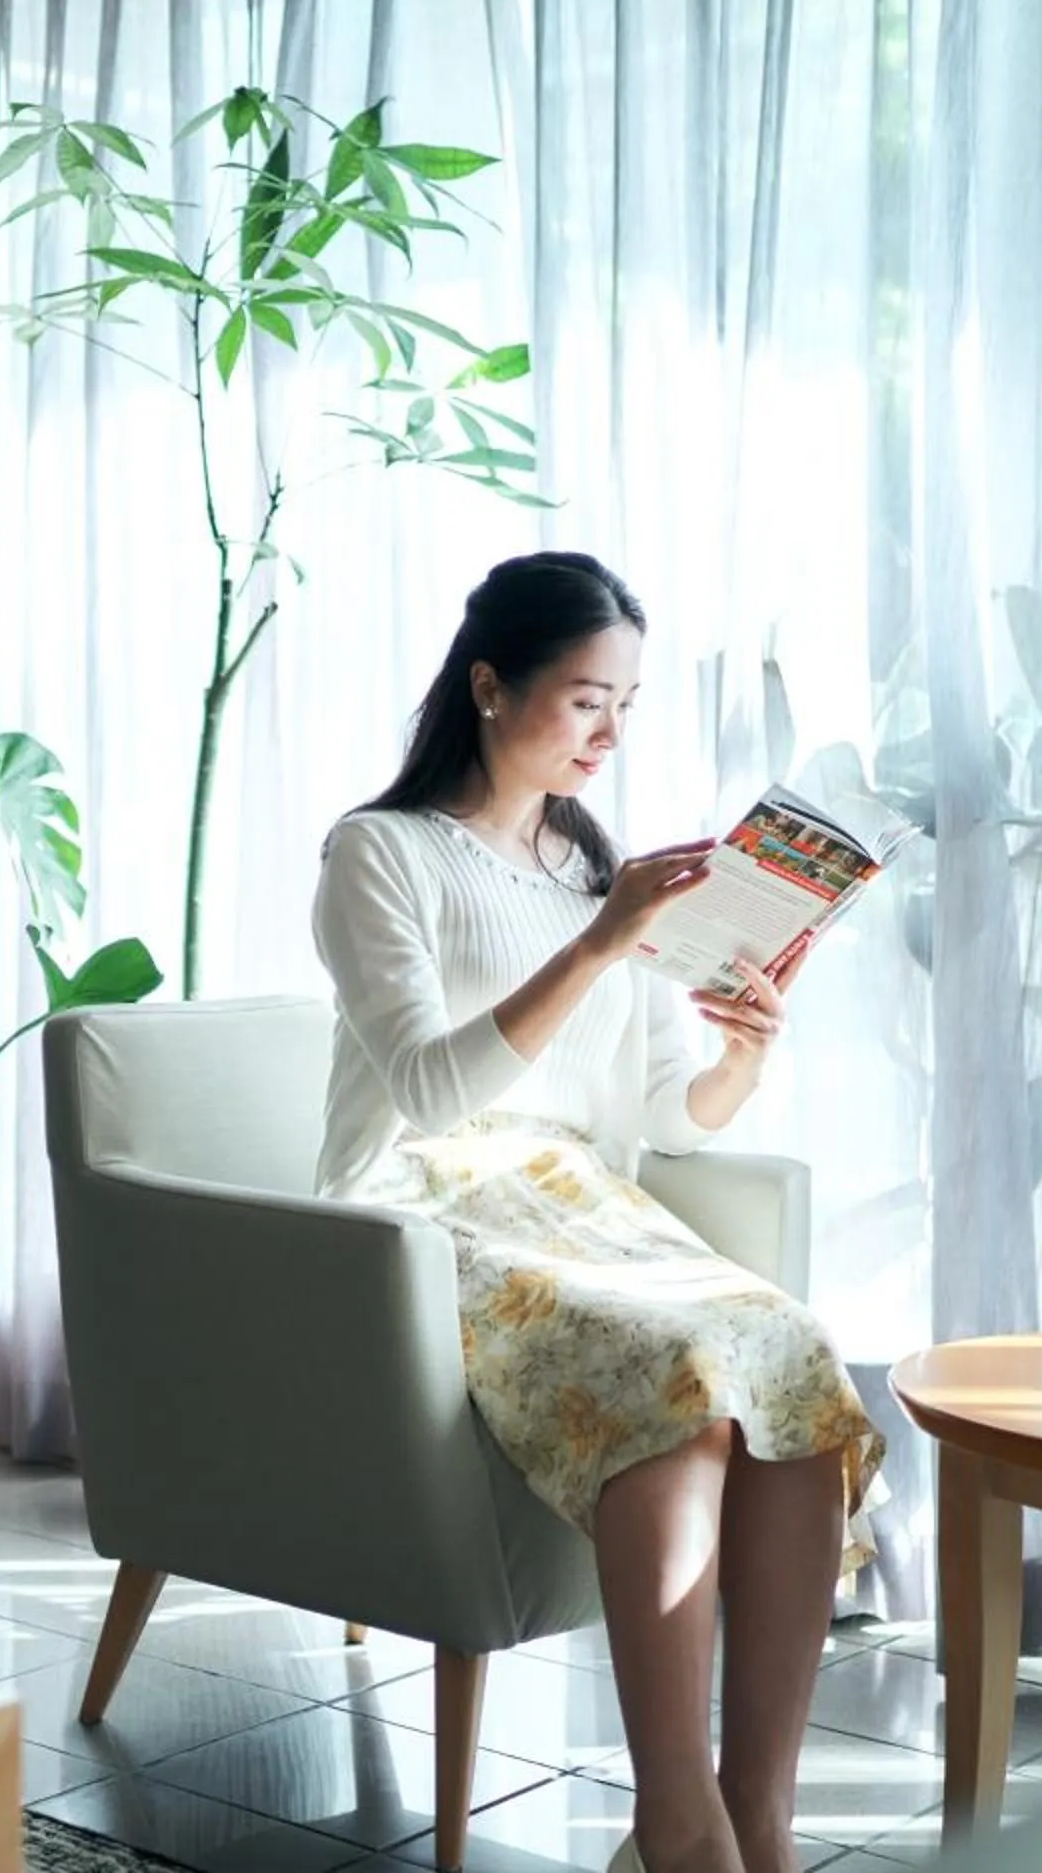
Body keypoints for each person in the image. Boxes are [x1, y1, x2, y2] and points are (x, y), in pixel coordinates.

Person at [311, 551, 885, 1873]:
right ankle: (674, 1819)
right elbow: (427, 1088)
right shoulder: (380, 856)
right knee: (676, 1367)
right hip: (424, 1205)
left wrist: (739, 1060)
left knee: (789, 1349)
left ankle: (759, 1817)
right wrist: (598, 947)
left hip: (580, 1199)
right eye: (584, 700)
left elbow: (645, 1121)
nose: (611, 734)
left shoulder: (592, 868)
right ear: (489, 686)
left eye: (625, 704)